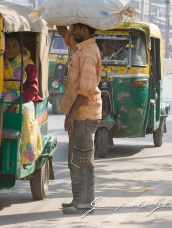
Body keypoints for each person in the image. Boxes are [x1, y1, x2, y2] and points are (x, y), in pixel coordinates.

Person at [56, 23, 102, 214]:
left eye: (75, 28)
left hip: (84, 114)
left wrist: (72, 114)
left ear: (85, 29)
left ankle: (84, 204)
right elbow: (68, 37)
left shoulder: (89, 53)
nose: (72, 31)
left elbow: (86, 90)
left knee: (82, 161)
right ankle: (79, 199)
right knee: (76, 159)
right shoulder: (82, 47)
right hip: (80, 114)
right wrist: (61, 22)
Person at [3, 33, 43, 165]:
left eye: (14, 46)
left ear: (20, 48)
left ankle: (27, 157)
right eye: (7, 46)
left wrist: (17, 102)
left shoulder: (28, 64)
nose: (11, 49)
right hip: (1, 96)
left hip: (23, 98)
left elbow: (33, 89)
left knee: (24, 113)